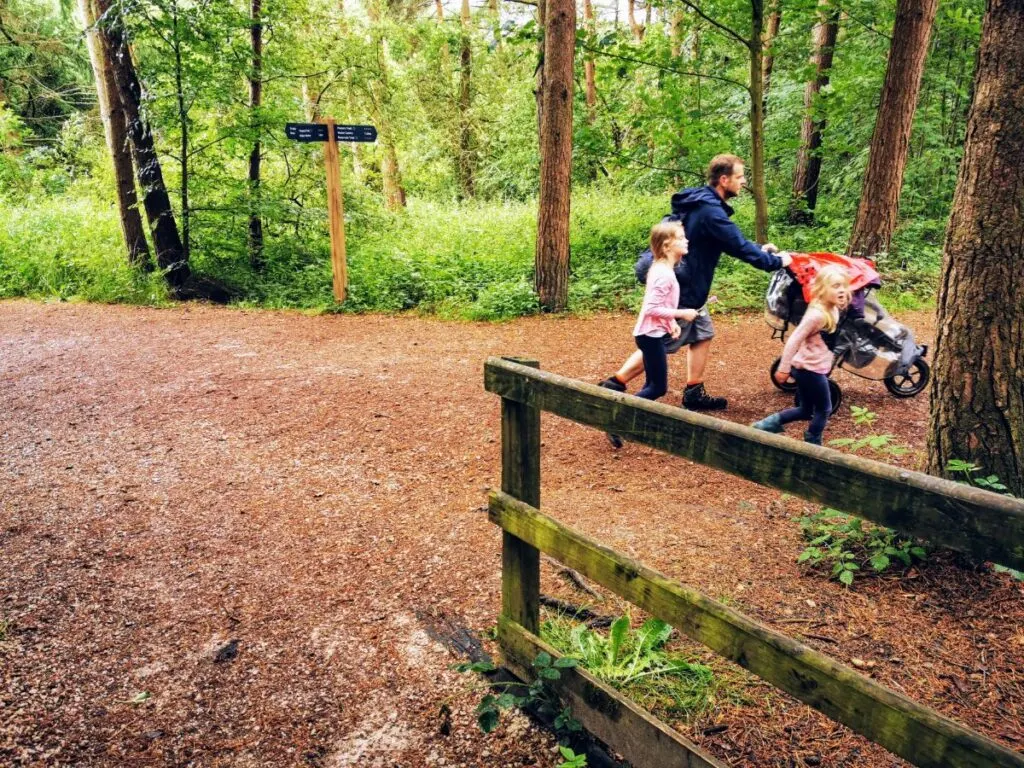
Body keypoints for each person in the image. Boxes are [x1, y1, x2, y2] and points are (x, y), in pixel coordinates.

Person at [598, 154, 793, 411]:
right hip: (682, 287)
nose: (744, 182)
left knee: (703, 333)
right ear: (724, 180)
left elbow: (728, 241)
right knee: (661, 340)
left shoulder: (701, 200)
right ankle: (615, 384)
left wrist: (761, 250)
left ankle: (694, 391)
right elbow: (737, 245)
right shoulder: (711, 211)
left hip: (691, 281)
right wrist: (777, 262)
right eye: (739, 177)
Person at [751, 264, 851, 445]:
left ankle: (765, 425)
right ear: (822, 289)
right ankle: (813, 445)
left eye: (844, 286)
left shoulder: (832, 308)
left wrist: (843, 300)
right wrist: (783, 369)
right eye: (836, 286)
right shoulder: (817, 315)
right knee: (824, 409)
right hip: (809, 370)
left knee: (805, 410)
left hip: (809, 368)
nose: (842, 290)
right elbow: (794, 340)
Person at [631, 221, 697, 404]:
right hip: (649, 337)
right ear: (667, 246)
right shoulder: (663, 273)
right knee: (658, 388)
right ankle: (617, 417)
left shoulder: (663, 267)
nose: (687, 240)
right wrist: (681, 314)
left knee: (651, 385)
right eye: (681, 238)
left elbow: (662, 304)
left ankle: (636, 422)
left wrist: (672, 324)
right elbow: (651, 308)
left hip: (650, 334)